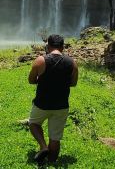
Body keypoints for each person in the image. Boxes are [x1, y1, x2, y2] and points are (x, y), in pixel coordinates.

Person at [27, 34, 79, 164]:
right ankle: (51, 162)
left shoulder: (40, 60)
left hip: (42, 104)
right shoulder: (72, 63)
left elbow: (31, 80)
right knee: (55, 138)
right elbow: (73, 83)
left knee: (33, 123)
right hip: (61, 105)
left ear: (48, 46)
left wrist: (41, 79)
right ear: (62, 47)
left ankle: (43, 147)